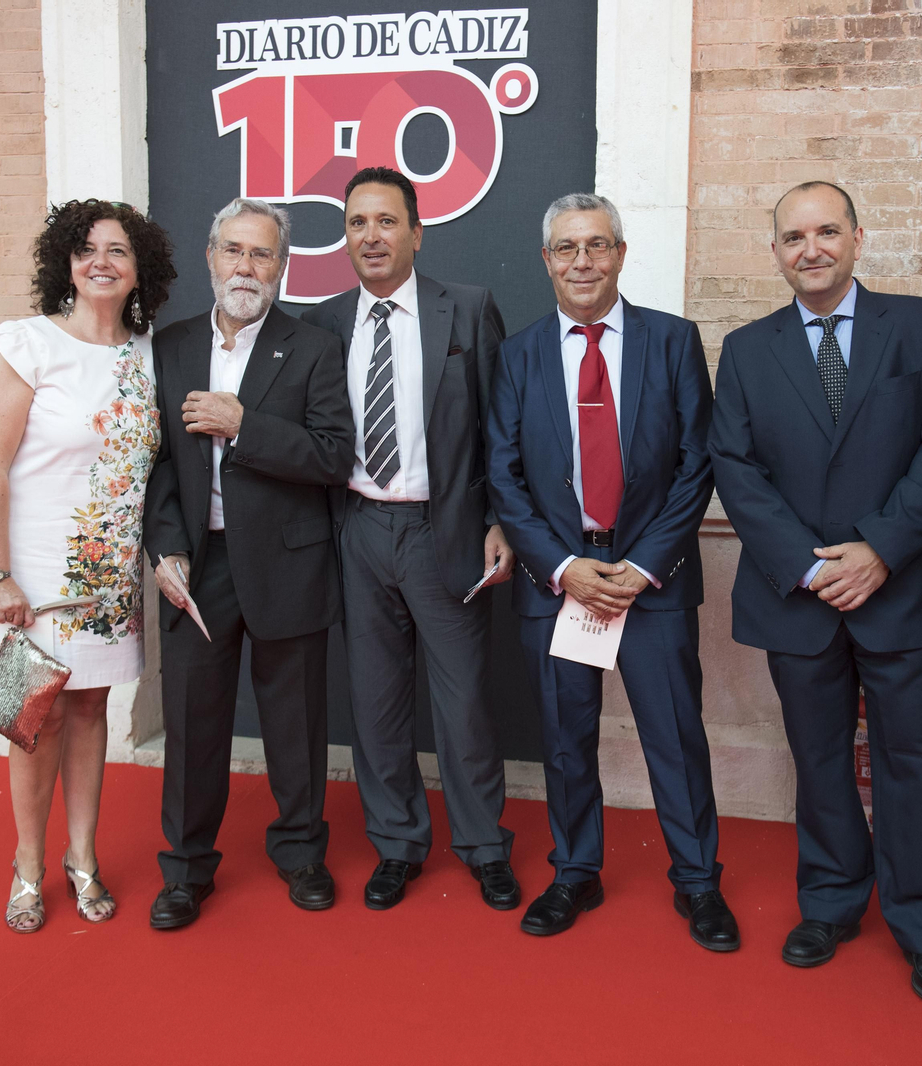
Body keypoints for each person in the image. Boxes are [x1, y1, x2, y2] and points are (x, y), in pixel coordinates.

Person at [708, 182, 922, 997]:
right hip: (800, 596)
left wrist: (879, 551)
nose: (810, 248)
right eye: (793, 237)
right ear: (776, 251)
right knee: (818, 762)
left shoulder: (921, 326)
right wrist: (813, 564)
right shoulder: (747, 349)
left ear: (858, 238)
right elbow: (736, 470)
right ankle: (828, 902)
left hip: (900, 590)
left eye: (826, 231)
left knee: (916, 762)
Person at [486, 193, 738, 951]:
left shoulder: (671, 341)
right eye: (567, 248)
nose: (583, 261)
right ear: (547, 261)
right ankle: (575, 872)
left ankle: (698, 883)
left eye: (597, 245)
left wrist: (644, 563)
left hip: (649, 580)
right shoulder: (519, 354)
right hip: (560, 582)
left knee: (675, 737)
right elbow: (503, 475)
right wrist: (565, 566)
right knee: (566, 738)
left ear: (621, 254)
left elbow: (698, 464)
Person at [301, 167, 519, 912]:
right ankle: (396, 844)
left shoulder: (468, 308)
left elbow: (501, 427)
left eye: (386, 221)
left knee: (463, 706)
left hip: (445, 530)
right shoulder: (324, 322)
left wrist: (499, 520)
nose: (371, 235)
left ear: (417, 233)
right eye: (358, 222)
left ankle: (485, 845)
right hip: (360, 530)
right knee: (377, 704)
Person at [142, 198, 354, 929]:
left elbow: (333, 456)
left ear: (284, 267)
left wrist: (245, 426)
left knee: (294, 724)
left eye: (262, 255)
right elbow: (158, 465)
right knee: (193, 725)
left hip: (288, 565)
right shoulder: (168, 348)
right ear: (210, 257)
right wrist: (164, 547)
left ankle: (300, 855)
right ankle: (186, 871)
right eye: (233, 250)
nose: (246, 267)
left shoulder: (313, 346)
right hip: (197, 569)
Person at [0, 198, 176, 932]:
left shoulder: (149, 353)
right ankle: (28, 863)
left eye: (118, 250)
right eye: (86, 248)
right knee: (35, 716)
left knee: (90, 707)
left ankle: (81, 857)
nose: (101, 261)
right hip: (31, 572)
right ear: (66, 260)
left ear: (139, 269)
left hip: (110, 572)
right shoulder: (27, 343)